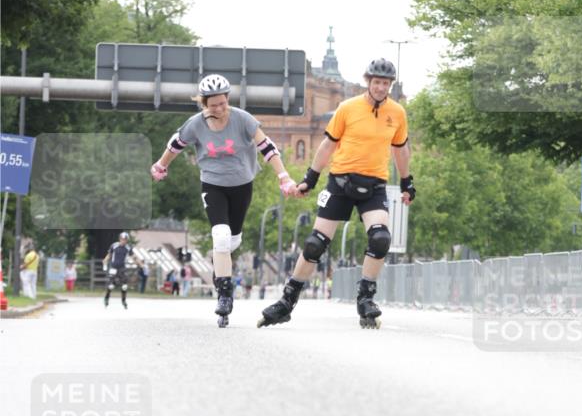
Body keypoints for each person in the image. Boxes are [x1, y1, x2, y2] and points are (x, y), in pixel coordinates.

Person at [258, 58, 416, 330]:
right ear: (369, 82)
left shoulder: (397, 113)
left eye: (386, 83)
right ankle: (286, 302)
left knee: (380, 238)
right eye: (376, 82)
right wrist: (310, 178)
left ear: (390, 85)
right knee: (315, 244)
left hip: (374, 185)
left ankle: (365, 299)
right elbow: (327, 146)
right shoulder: (347, 108)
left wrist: (406, 183)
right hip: (340, 183)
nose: (380, 87)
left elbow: (400, 150)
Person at [150, 74, 296, 328]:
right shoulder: (195, 124)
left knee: (232, 240)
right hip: (213, 184)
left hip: (242, 185)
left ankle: (222, 271)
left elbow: (267, 147)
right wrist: (161, 166)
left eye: (222, 102)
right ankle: (225, 294)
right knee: (220, 235)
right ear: (204, 103)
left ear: (228, 98)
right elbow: (175, 145)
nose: (218, 108)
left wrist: (283, 176)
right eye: (212, 104)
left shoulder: (243, 119)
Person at [103, 232, 134, 309]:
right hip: (113, 267)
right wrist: (105, 262)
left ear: (127, 240)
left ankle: (123, 301)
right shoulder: (114, 246)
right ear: (120, 239)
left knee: (124, 286)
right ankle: (106, 298)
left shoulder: (128, 248)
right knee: (111, 286)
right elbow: (109, 255)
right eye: (122, 239)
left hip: (122, 268)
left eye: (125, 240)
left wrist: (142, 265)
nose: (123, 241)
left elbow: (134, 257)